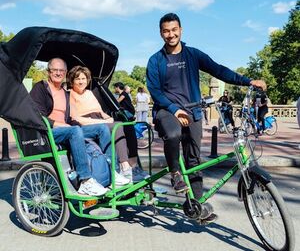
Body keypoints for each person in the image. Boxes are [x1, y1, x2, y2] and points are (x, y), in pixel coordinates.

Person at [146, 13, 266, 222]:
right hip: (167, 110)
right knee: (173, 135)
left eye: (174, 30)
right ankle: (175, 173)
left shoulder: (192, 55)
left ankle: (195, 206)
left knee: (194, 159)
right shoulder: (156, 60)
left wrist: (248, 81)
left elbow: (218, 70)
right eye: (166, 31)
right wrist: (174, 109)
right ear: (161, 33)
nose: (171, 34)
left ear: (181, 30)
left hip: (193, 110)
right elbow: (155, 91)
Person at [30, 58, 122, 196]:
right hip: (48, 131)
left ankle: (113, 172)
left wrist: (79, 125)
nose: (58, 73)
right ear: (48, 71)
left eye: (61, 70)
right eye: (55, 70)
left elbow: (71, 118)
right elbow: (37, 115)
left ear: (66, 72)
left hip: (68, 130)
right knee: (75, 131)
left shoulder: (65, 93)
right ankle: (85, 180)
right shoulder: (41, 88)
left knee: (102, 128)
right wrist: (57, 124)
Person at [67, 66, 147, 182]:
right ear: (72, 80)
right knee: (117, 127)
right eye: (77, 79)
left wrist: (108, 118)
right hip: (87, 123)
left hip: (100, 119)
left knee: (127, 125)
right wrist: (104, 121)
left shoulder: (89, 93)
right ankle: (125, 166)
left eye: (83, 78)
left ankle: (134, 166)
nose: (81, 81)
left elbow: (100, 111)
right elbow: (76, 118)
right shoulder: (70, 94)